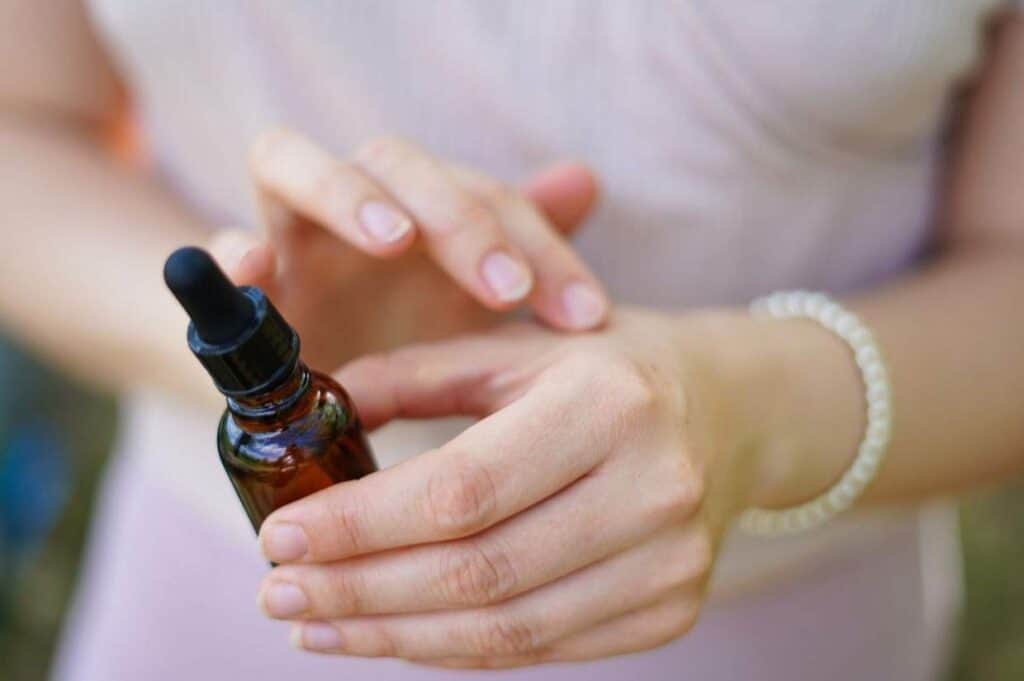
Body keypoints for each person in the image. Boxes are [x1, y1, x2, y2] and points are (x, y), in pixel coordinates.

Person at [2, 1, 1023, 679]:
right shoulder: (259, 440)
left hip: (771, 625)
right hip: (217, 613)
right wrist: (271, 307)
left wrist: (743, 407)